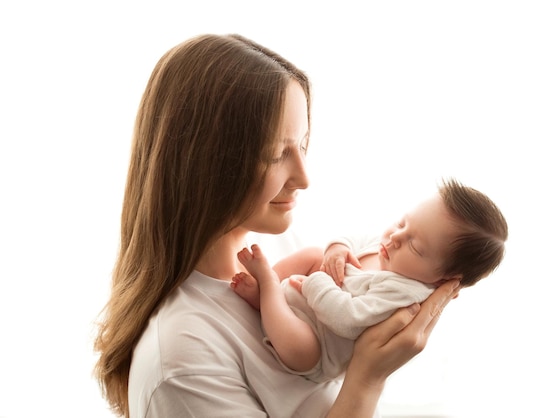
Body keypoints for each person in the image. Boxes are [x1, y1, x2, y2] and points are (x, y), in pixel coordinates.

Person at [93, 33, 460, 418]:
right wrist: (368, 378)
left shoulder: (287, 250)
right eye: (275, 155)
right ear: (204, 166)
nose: (304, 178)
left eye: (301, 146)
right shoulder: (184, 359)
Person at [231, 178, 508, 383]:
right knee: (313, 253)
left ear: (445, 279)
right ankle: (267, 297)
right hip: (302, 299)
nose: (396, 238)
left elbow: (348, 319)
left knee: (301, 351)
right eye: (402, 224)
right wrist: (337, 248)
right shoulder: (387, 246)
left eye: (416, 246)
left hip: (317, 341)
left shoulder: (405, 293)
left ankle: (268, 287)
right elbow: (355, 242)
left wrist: (316, 282)